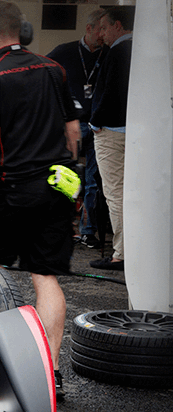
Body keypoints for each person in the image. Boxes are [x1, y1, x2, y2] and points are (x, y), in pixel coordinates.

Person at [0, 1, 81, 399]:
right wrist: (69, 174)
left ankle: (0, 365)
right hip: (57, 187)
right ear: (23, 32)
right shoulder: (54, 68)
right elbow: (73, 131)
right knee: (44, 277)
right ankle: (51, 374)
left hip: (14, 188)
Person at [47, 9, 107, 250]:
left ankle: (88, 231)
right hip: (71, 125)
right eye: (100, 29)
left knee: (94, 181)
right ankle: (62, 227)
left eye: (106, 29)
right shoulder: (64, 51)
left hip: (99, 126)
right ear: (89, 28)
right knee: (64, 176)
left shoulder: (108, 53)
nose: (103, 35)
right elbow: (44, 73)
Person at [89, 7, 133, 271]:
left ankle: (121, 254)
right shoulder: (139, 50)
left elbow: (109, 92)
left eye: (104, 28)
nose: (101, 34)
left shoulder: (117, 52)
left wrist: (95, 121)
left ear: (118, 25)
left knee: (115, 193)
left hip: (111, 132)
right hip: (133, 131)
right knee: (131, 192)